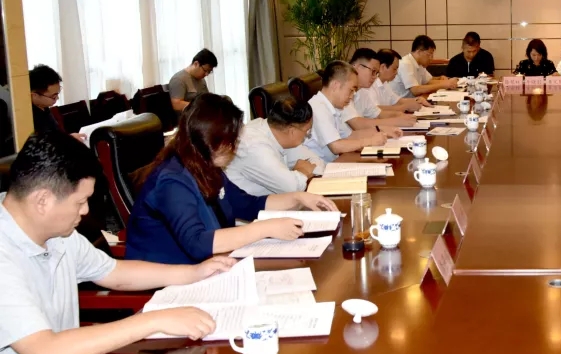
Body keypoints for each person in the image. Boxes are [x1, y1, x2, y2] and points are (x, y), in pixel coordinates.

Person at [0, 132, 238, 354]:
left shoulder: (57, 234)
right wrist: (153, 320)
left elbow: (114, 273)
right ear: (43, 200)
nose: (85, 211)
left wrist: (193, 273)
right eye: (80, 201)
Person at [125, 94, 337, 265]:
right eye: (232, 141)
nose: (236, 148)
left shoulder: (207, 167)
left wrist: (298, 198)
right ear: (211, 140)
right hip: (171, 280)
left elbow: (247, 205)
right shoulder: (172, 180)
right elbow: (197, 243)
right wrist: (266, 228)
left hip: (210, 266)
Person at [226, 98, 326, 196]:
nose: (307, 135)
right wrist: (302, 171)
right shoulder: (254, 145)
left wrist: (298, 175)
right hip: (251, 206)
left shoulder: (280, 135)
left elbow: (317, 161)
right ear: (292, 131)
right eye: (307, 131)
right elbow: (291, 188)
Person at [303, 61, 389, 163]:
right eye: (351, 90)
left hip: (335, 163)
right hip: (320, 169)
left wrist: (381, 131)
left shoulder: (334, 107)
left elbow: (349, 136)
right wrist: (369, 141)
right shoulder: (318, 107)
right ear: (335, 85)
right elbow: (336, 146)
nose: (352, 96)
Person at [348, 48, 417, 128]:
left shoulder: (362, 91)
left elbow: (378, 114)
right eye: (373, 71)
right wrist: (396, 120)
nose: (375, 77)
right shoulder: (343, 91)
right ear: (357, 67)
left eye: (376, 73)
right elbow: (357, 124)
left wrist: (399, 115)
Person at [388, 35, 458, 98]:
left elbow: (428, 81)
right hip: (399, 104)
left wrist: (443, 80)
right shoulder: (406, 64)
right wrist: (443, 85)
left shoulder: (420, 64)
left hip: (413, 102)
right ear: (419, 52)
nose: (431, 58)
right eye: (429, 54)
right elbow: (415, 90)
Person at [368, 49, 430, 113]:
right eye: (394, 69)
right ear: (382, 67)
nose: (396, 73)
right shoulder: (370, 85)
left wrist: (417, 100)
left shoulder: (385, 83)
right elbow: (374, 110)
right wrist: (405, 107)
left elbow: (398, 101)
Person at [28, 65, 62, 134]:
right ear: (35, 96)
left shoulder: (44, 107)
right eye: (53, 97)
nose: (57, 98)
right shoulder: (30, 118)